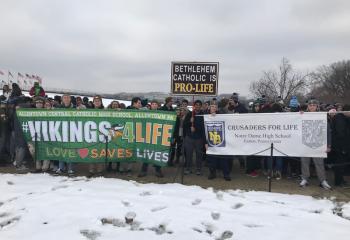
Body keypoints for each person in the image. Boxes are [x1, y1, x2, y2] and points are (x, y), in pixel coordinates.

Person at [299, 99, 332, 189]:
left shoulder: (321, 116)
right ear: (308, 106)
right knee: (304, 162)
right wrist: (299, 115)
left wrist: (328, 145)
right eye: (310, 105)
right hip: (305, 143)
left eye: (314, 105)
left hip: (319, 143)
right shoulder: (302, 115)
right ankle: (305, 178)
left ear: (317, 106)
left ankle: (323, 180)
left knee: (319, 163)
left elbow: (328, 131)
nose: (312, 106)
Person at [138, 100, 164, 178]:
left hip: (157, 136)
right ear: (151, 105)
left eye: (156, 104)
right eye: (153, 104)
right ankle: (143, 170)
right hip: (148, 135)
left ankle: (158, 170)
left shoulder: (161, 114)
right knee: (147, 153)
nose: (154, 105)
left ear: (158, 106)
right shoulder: (146, 113)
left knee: (157, 153)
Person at [206, 102, 231, 181]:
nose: (213, 108)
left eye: (215, 107)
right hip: (210, 141)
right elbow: (204, 130)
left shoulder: (221, 115)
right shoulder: (205, 116)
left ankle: (226, 174)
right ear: (209, 108)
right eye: (212, 106)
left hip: (221, 141)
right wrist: (205, 142)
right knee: (212, 160)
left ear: (217, 108)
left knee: (223, 160)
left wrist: (216, 116)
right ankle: (212, 173)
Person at [183, 100, 205, 175]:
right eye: (196, 105)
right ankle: (188, 168)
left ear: (201, 106)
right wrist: (190, 122)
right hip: (189, 137)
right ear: (194, 106)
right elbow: (184, 125)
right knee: (189, 154)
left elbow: (203, 126)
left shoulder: (203, 115)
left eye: (199, 105)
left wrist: (196, 129)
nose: (197, 106)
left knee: (199, 154)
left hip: (199, 138)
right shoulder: (190, 114)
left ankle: (198, 169)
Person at [328, 108, 349, 187]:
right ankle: (338, 182)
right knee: (340, 164)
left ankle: (340, 180)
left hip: (340, 146)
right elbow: (341, 134)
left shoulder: (342, 118)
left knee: (341, 164)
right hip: (340, 146)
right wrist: (343, 148)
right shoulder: (340, 119)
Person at [56, 94, 75, 175]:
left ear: (70, 99)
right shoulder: (58, 108)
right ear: (62, 99)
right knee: (61, 150)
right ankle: (61, 168)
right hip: (61, 132)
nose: (66, 99)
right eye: (65, 98)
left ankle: (70, 169)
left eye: (68, 98)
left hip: (72, 132)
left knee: (70, 151)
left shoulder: (74, 108)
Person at [88, 95, 105, 177]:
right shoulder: (89, 111)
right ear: (93, 102)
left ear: (101, 102)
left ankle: (100, 170)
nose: (97, 102)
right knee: (92, 152)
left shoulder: (105, 111)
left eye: (98, 101)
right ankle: (91, 170)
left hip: (101, 135)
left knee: (101, 153)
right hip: (92, 135)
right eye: (95, 101)